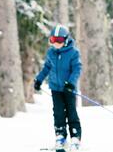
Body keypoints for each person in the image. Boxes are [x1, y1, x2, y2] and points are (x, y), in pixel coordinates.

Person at [34, 24, 82, 152]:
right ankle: (60, 136)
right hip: (55, 88)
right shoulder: (51, 52)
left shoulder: (73, 52)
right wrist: (39, 79)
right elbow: (46, 68)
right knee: (58, 113)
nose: (56, 43)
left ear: (66, 39)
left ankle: (75, 137)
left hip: (68, 89)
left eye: (59, 40)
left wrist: (71, 83)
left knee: (71, 112)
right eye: (53, 40)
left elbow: (77, 69)